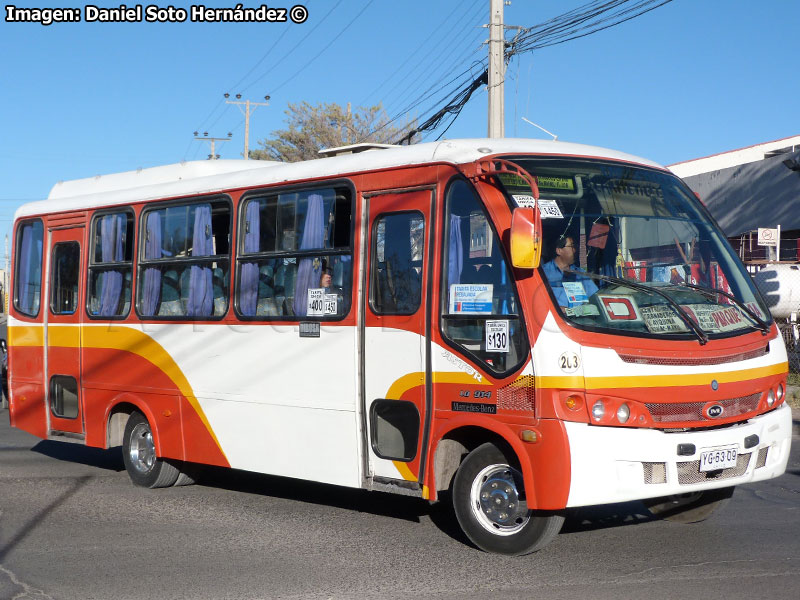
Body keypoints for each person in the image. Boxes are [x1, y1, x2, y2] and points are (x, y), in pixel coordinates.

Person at [542, 236, 599, 308]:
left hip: (581, 318)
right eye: (571, 246)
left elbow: (595, 298)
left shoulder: (580, 274)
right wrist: (556, 309)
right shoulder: (544, 273)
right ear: (559, 251)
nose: (574, 250)